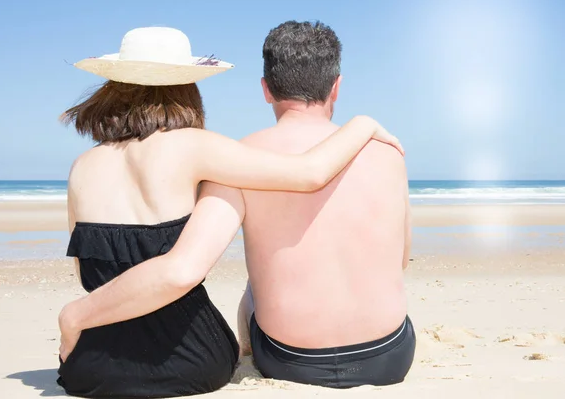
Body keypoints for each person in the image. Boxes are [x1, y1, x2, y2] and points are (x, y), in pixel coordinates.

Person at [57, 25, 403, 398]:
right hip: (191, 360)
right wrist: (363, 123)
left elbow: (88, 273)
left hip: (93, 362)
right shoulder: (198, 148)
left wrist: (80, 318)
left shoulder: (82, 166)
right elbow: (311, 173)